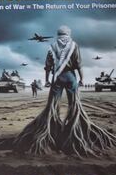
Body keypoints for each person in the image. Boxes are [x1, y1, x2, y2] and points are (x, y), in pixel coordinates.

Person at [14, 25, 116, 156]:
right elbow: (78, 64)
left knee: (52, 105)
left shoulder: (52, 47)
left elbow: (48, 66)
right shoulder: (74, 45)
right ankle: (73, 132)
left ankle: (51, 132)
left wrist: (46, 80)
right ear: (68, 34)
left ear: (58, 34)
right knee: (74, 104)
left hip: (57, 77)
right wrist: (82, 79)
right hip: (70, 76)